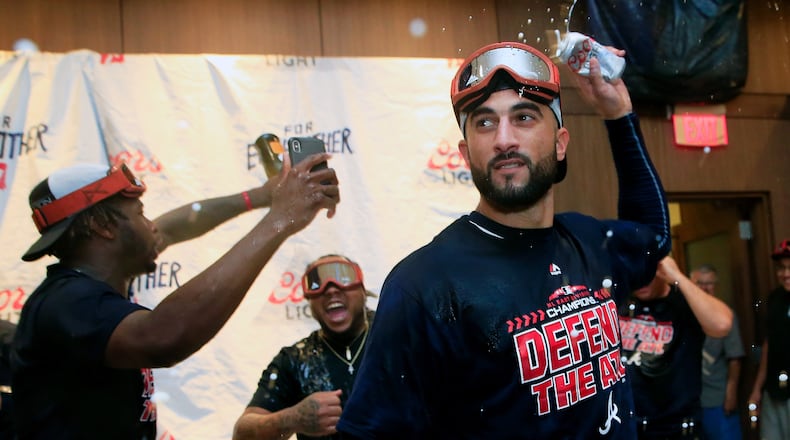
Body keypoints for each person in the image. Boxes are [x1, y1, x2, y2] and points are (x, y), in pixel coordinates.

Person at [337, 41, 672, 439]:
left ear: (560, 143)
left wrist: (618, 115)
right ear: (465, 153)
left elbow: (654, 238)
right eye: (484, 122)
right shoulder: (424, 287)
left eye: (524, 117)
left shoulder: (586, 239)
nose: (503, 139)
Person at [11, 154, 339, 439]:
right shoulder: (66, 302)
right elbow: (163, 337)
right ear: (102, 226)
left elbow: (177, 225)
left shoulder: (82, 286)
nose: (151, 226)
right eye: (139, 213)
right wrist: (282, 218)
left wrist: (262, 196)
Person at [233, 255, 373, 440]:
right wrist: (292, 418)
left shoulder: (398, 337)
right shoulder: (293, 360)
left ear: (362, 290)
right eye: (316, 283)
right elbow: (241, 434)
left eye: (343, 278)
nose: (331, 290)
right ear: (308, 300)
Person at [619, 256, 733, 439]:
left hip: (677, 428)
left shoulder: (683, 302)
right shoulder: (621, 301)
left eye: (647, 272)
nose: (640, 280)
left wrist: (677, 276)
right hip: (629, 426)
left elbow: (722, 324)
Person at [690, 264, 745, 440]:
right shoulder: (683, 313)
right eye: (700, 283)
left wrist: (731, 394)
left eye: (710, 283)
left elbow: (735, 359)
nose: (705, 288)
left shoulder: (724, 315)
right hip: (690, 401)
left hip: (717, 399)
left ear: (716, 285)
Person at [748, 239, 790, 440]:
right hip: (774, 390)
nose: (786, 274)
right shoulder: (775, 298)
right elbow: (769, 343)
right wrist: (757, 388)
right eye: (781, 268)